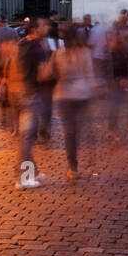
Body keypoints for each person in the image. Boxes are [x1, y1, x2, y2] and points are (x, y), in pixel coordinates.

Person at [52, 25, 96, 181]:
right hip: (80, 94)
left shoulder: (58, 54)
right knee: (75, 130)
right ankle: (76, 162)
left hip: (63, 95)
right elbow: (89, 74)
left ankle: (73, 165)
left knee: (69, 132)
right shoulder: (84, 53)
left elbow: (52, 73)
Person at [16, 18, 54, 187]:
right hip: (31, 94)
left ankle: (34, 173)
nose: (47, 28)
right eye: (44, 26)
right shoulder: (38, 47)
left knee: (27, 136)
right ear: (36, 29)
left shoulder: (22, 43)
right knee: (27, 138)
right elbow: (42, 75)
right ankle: (23, 179)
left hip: (19, 92)